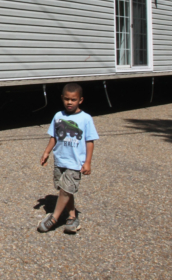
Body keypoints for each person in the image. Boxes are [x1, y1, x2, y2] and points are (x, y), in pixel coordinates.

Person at [38, 83, 99, 234]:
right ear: (62, 99)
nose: (69, 102)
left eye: (73, 99)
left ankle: (54, 218)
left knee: (65, 190)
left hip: (75, 162)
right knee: (65, 189)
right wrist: (46, 152)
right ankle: (72, 217)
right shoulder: (58, 116)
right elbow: (54, 137)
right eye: (67, 99)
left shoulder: (86, 119)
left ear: (80, 100)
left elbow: (89, 142)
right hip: (60, 160)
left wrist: (88, 162)